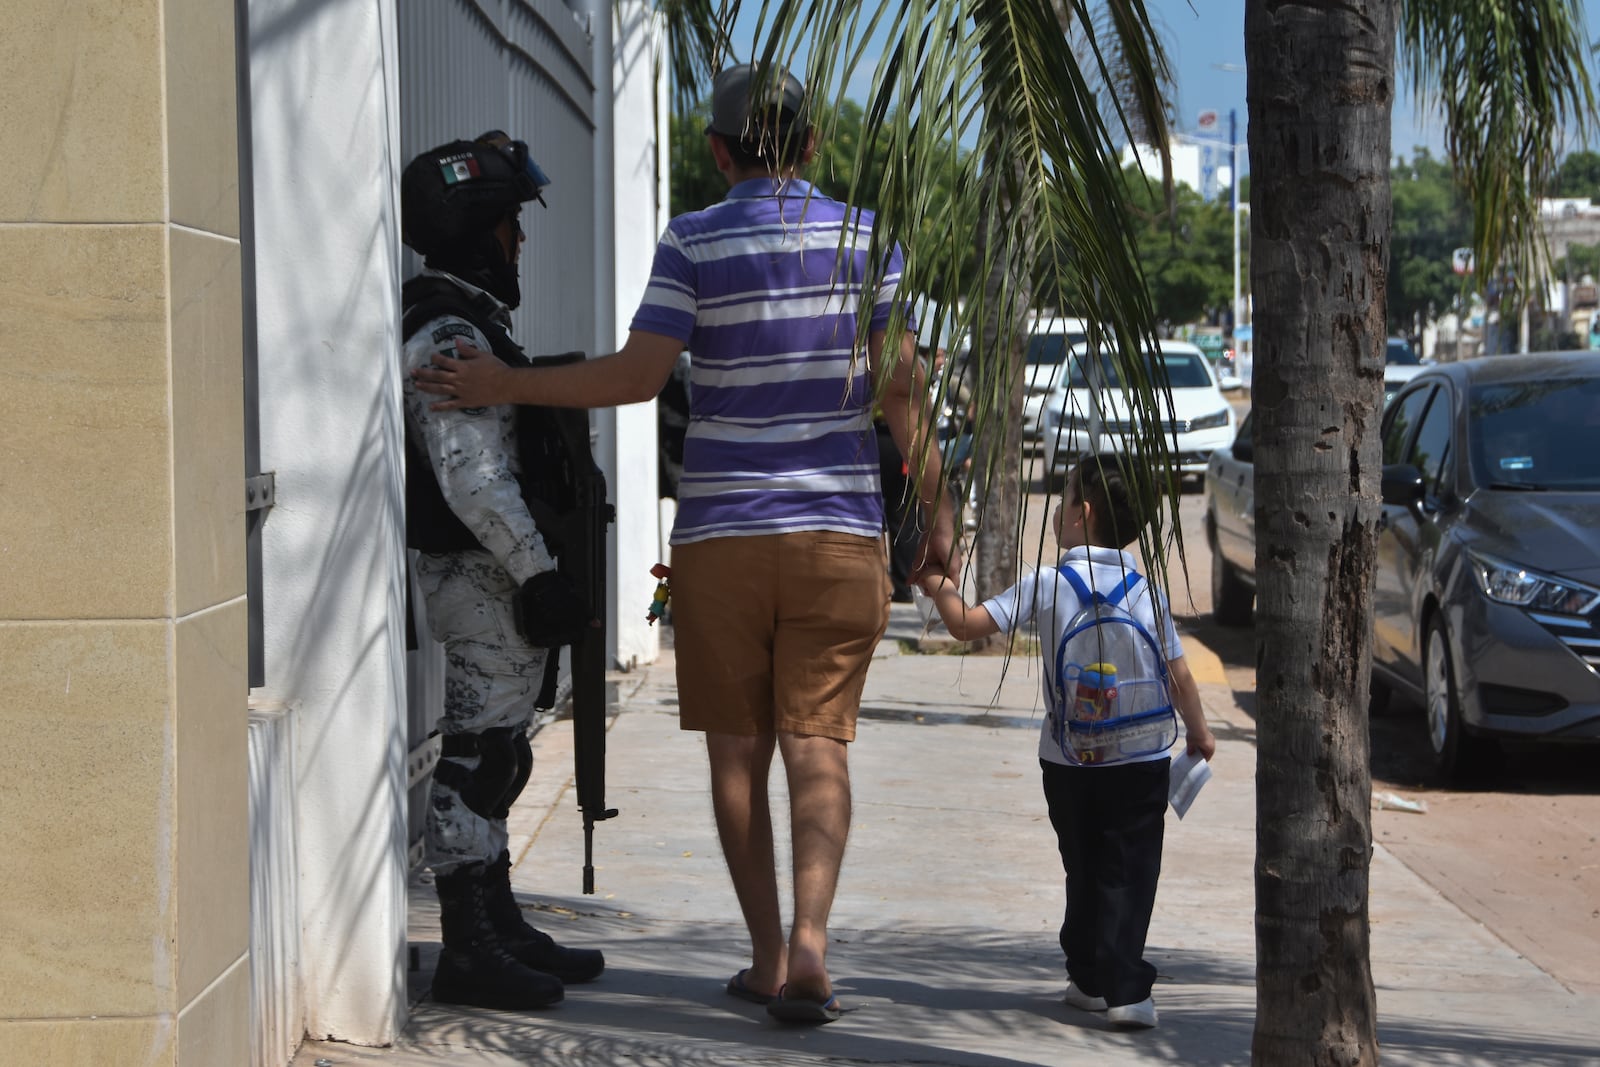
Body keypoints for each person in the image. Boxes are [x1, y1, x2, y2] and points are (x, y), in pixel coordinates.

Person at [411, 64, 958, 1023]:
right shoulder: (869, 242)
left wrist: (506, 383)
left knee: (738, 755)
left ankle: (763, 955)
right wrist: (939, 514)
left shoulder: (694, 241)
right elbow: (903, 385)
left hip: (723, 541)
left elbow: (636, 376)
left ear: (718, 151)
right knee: (819, 746)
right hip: (840, 536)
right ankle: (813, 953)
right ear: (813, 144)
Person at [398, 131, 606, 1011]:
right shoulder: (447, 333)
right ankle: (468, 946)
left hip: (497, 580)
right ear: (476, 226)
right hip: (481, 577)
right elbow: (473, 478)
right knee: (477, 760)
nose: (520, 242)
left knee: (504, 757)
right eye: (510, 224)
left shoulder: (473, 321)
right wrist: (536, 573)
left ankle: (497, 916)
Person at [918, 455, 1214, 1030]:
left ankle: (1085, 976)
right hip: (1142, 757)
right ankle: (1126, 988)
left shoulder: (1047, 584)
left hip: (1069, 761)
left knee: (1082, 865)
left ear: (1082, 512)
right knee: (1130, 870)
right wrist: (1199, 733)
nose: (1057, 507)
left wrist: (936, 582)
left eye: (1065, 495)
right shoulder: (1147, 590)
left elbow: (965, 625)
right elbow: (1178, 675)